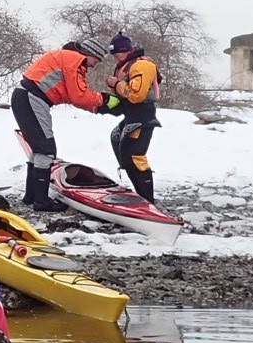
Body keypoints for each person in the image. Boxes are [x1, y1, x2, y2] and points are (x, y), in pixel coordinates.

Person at [12, 39, 107, 210]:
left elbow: (69, 94)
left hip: (24, 96)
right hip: (33, 98)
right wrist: (103, 100)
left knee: (39, 149)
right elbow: (79, 97)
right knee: (45, 149)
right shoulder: (74, 60)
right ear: (91, 53)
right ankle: (41, 201)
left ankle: (31, 197)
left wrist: (96, 105)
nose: (95, 65)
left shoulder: (66, 57)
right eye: (97, 60)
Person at [101, 32, 161, 202]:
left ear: (126, 50)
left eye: (117, 53)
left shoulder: (141, 65)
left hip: (142, 117)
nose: (115, 57)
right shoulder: (125, 65)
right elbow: (124, 95)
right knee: (118, 141)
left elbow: (137, 96)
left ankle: (147, 199)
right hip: (131, 116)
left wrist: (116, 84)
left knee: (135, 157)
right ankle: (140, 193)